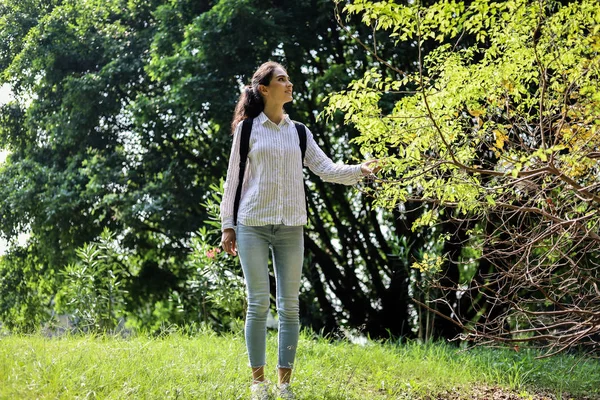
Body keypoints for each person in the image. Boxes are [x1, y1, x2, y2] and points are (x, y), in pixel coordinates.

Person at [220, 61, 379, 400]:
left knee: (289, 306)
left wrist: (360, 170)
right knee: (258, 303)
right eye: (282, 79)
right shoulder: (248, 130)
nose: (289, 84)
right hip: (253, 224)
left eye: (289, 79)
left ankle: (285, 385)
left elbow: (325, 168)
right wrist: (228, 226)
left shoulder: (300, 131)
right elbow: (233, 180)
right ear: (264, 89)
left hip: (292, 225)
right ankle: (258, 384)